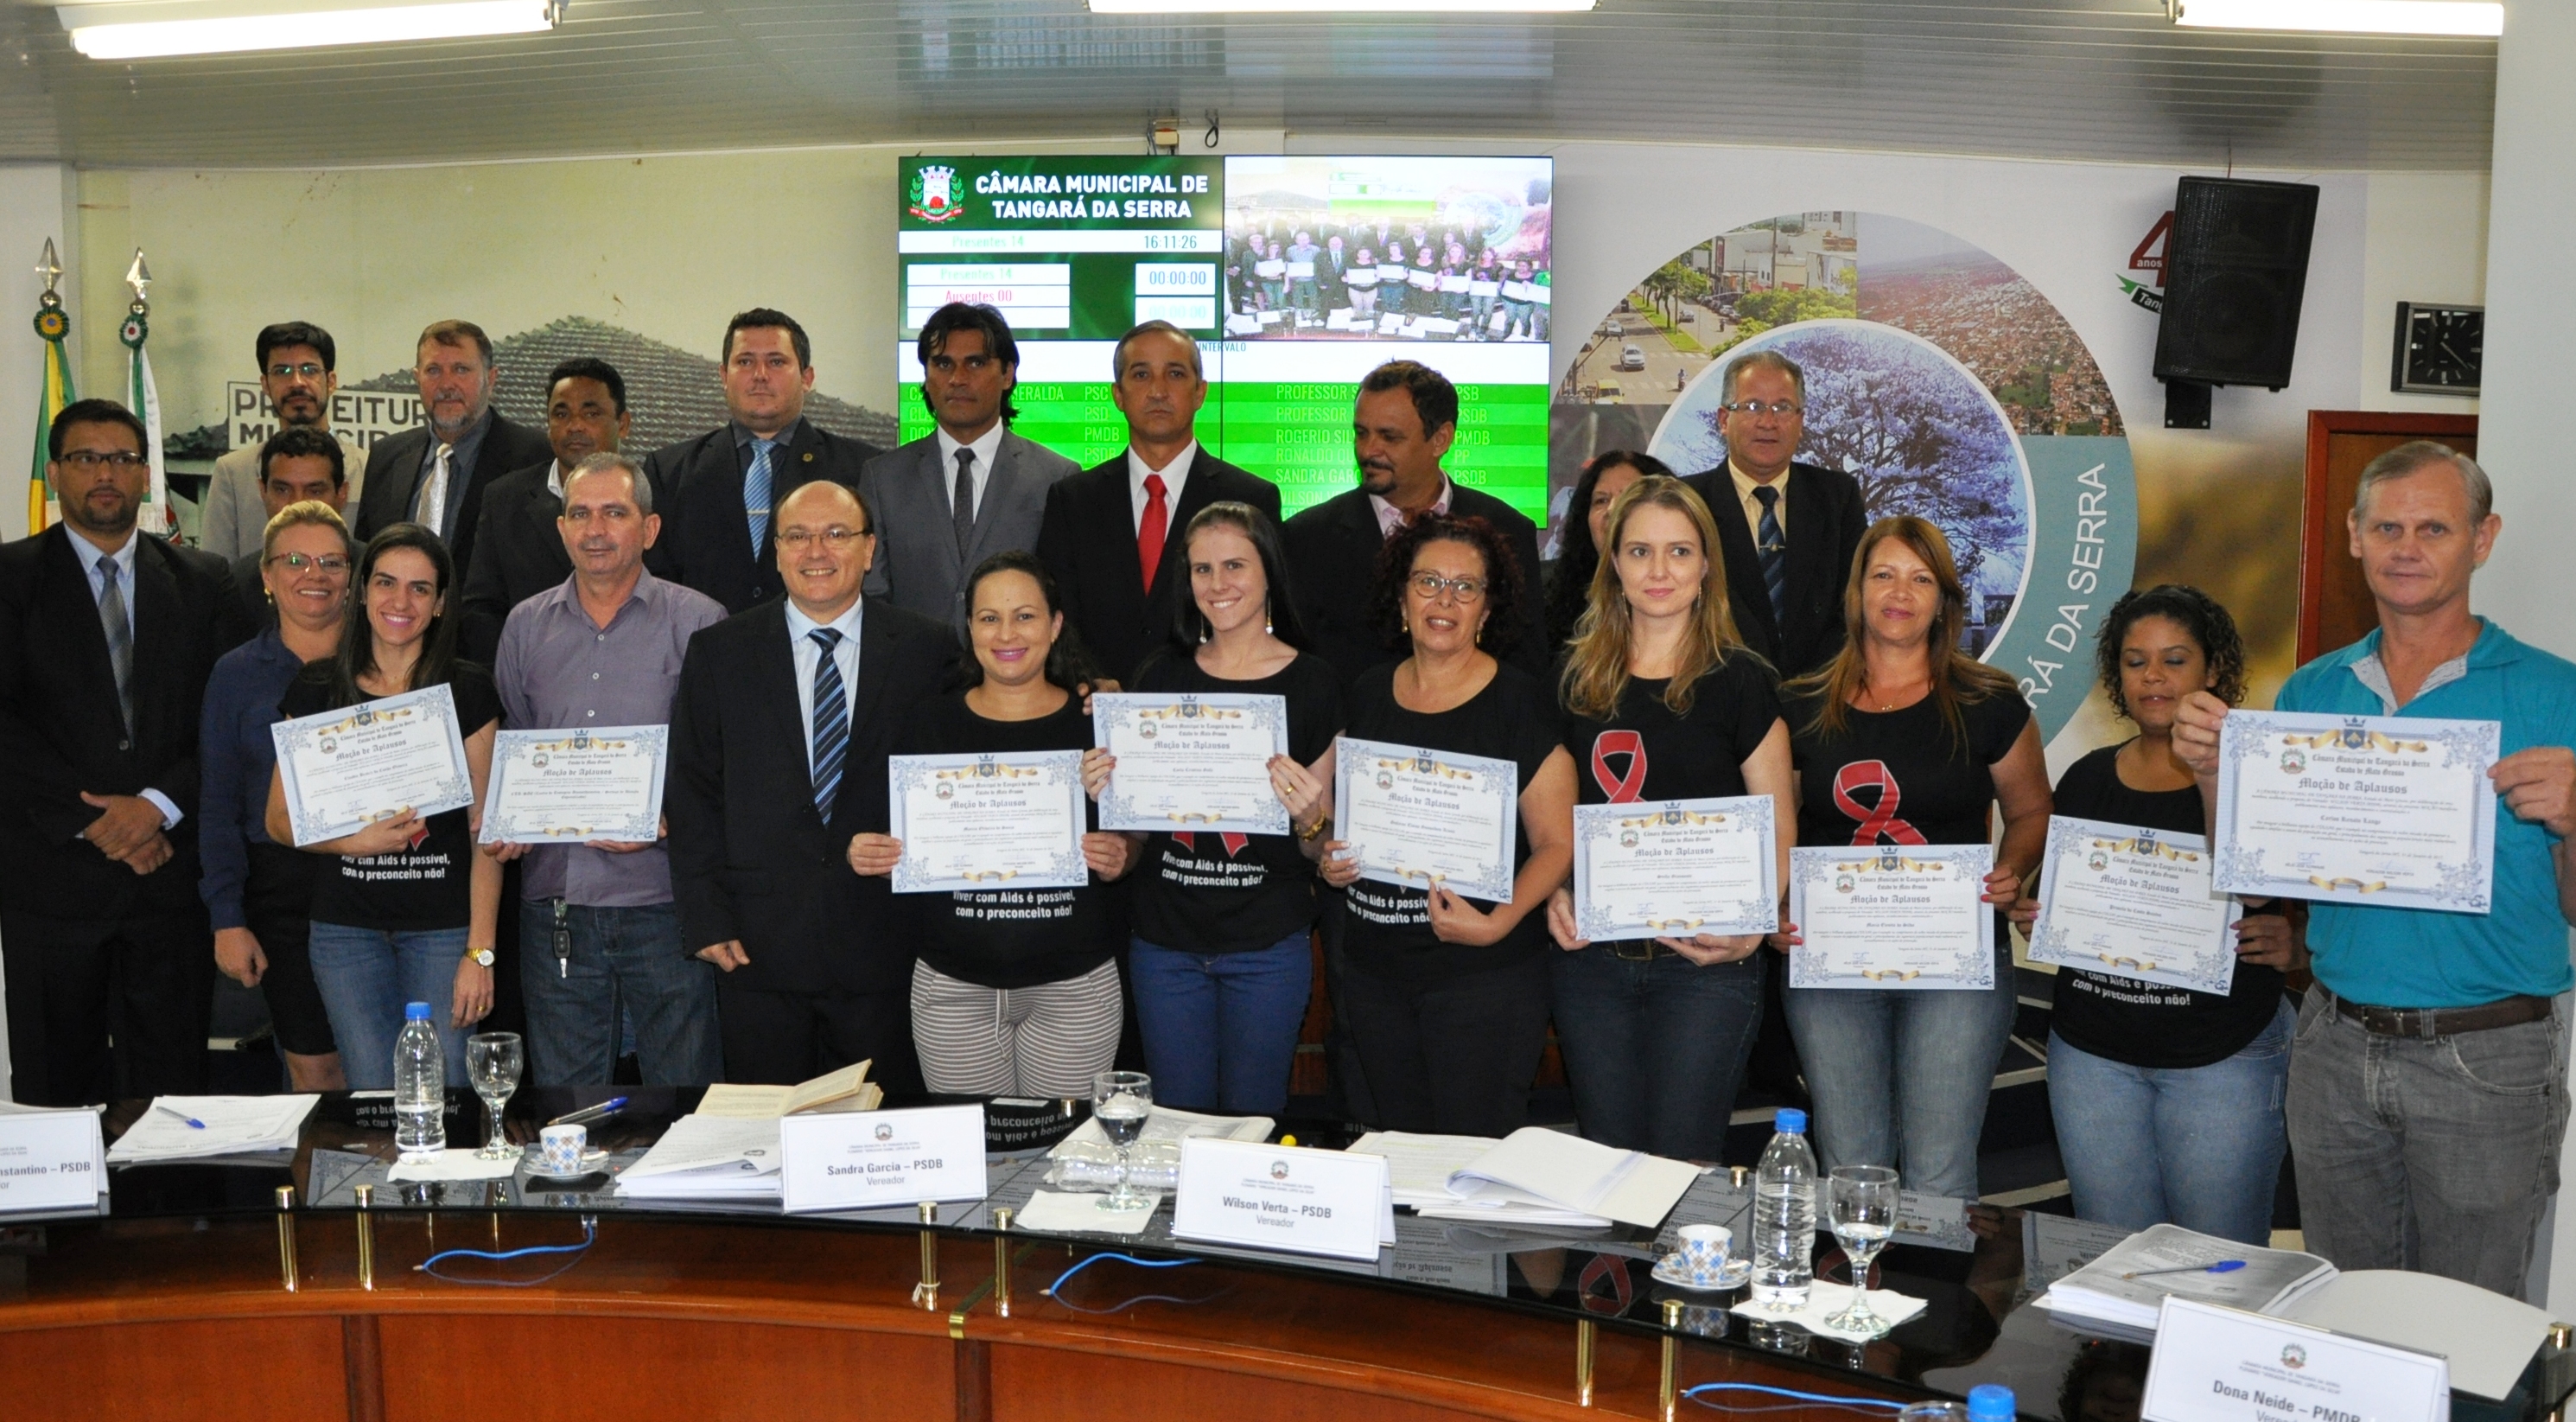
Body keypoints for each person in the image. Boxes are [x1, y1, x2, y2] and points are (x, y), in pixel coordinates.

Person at [2174, 442, 2576, 1295]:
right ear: (2353, 536)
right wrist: (2214, 774)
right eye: (2385, 525)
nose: (2405, 546)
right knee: (2347, 1315)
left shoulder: (2556, 692)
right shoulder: (2311, 691)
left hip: (2487, 1052)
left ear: (2482, 538)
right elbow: (2250, 883)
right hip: (2333, 1041)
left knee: (2471, 1326)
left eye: (2432, 526)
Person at [1771, 516, 2051, 1201]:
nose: (1901, 592)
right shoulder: (1799, 703)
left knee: (1938, 1171)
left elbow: (2031, 811)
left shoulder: (1989, 700)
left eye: (1921, 578)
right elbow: (1774, 830)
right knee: (1849, 1164)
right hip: (1831, 958)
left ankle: (1935, 1307)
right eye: (1884, 574)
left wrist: (2012, 867)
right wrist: (1773, 905)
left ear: (1944, 599)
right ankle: (1852, 1306)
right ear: (1857, 590)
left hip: (1956, 961)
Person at [2007, 585, 2296, 1246]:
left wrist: (2299, 940)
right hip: (2093, 1060)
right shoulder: (2083, 778)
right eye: (2135, 662)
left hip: (2220, 1058)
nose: (2154, 678)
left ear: (2212, 670)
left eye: (2174, 659)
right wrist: (2041, 917)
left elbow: (2316, 896)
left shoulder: (2261, 772)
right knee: (2114, 1265)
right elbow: (2065, 903)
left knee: (2219, 1268)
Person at [0, 399, 249, 1105]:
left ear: (146, 474)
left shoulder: (204, 581)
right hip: (51, 884)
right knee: (56, 1093)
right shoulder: (10, 579)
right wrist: (100, 823)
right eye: (86, 458)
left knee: (173, 1102)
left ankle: (168, 1219)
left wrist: (157, 806)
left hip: (169, 885)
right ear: (55, 473)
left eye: (122, 459)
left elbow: (227, 720)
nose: (105, 474)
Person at [667, 480, 953, 1087]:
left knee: (880, 1143)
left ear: (869, 549)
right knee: (767, 1145)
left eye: (835, 534)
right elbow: (692, 792)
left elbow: (952, 779)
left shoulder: (928, 650)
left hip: (887, 945)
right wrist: (706, 918)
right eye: (796, 535)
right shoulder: (720, 652)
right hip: (756, 949)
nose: (815, 549)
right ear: (776, 552)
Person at [1544, 476, 1790, 1161]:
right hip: (1592, 964)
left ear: (1706, 564)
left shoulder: (1742, 679)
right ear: (1613, 563)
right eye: (1640, 551)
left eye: (1679, 552)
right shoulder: (1570, 676)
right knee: (1606, 1157)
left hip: (1706, 968)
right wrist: (1552, 892)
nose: (1659, 571)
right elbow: (1549, 822)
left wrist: (1751, 923)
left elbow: (1777, 825)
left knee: (1684, 1159)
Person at [1318, 513, 1575, 1136]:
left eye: (1466, 587)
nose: (1444, 599)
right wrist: (1325, 853)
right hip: (1375, 975)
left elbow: (1557, 842)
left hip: (1481, 982)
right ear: (1401, 596)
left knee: (1472, 1170)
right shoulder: (1367, 692)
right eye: (1428, 581)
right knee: (1395, 1161)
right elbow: (1331, 820)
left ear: (1487, 609)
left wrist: (1495, 924)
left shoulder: (1519, 701)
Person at [849, 553, 1137, 1095]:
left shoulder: (1102, 722)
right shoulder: (927, 724)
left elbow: (1138, 837)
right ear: (970, 629)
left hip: (1074, 986)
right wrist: (867, 853)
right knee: (974, 1162)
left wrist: (1123, 855)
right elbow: (889, 838)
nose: (1007, 633)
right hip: (953, 988)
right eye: (989, 618)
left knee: (1065, 1161)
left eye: (1025, 616)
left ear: (1055, 625)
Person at [1087, 504, 1340, 1113]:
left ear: (1268, 572)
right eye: (1202, 568)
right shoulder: (1158, 676)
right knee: (1176, 1122)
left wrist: (1309, 815)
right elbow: (1137, 834)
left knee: (1254, 1121)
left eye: (1234, 565)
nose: (1218, 583)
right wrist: (1106, 797)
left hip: (1267, 945)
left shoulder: (1313, 684)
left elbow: (1319, 848)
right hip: (1164, 945)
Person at [487, 454, 728, 1087]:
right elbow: (518, 734)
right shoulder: (523, 625)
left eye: (614, 513)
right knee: (568, 1106)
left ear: (648, 529)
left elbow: (724, 762)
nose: (595, 529)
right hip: (556, 903)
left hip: (665, 902)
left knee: (683, 1097)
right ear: (562, 528)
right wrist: (513, 812)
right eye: (580, 514)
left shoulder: (700, 620)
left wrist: (669, 819)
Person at [265, 525, 501, 1089]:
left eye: (421, 589)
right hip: (347, 932)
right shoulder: (318, 688)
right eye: (387, 583)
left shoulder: (467, 690)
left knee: (446, 1097)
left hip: (445, 933)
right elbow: (277, 819)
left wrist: (481, 952)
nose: (401, 601)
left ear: (441, 603)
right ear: (362, 591)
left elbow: (485, 834)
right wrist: (353, 841)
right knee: (372, 1095)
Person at [200, 501, 357, 1092]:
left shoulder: (385, 662)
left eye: (331, 562)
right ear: (266, 575)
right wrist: (227, 919)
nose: (313, 574)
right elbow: (218, 806)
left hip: (379, 880)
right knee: (314, 1067)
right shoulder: (235, 674)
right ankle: (332, 1187)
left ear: (351, 576)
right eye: (294, 560)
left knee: (383, 1061)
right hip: (281, 894)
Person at [1037, 321, 1281, 685]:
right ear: (1117, 395)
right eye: (1140, 375)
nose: (1158, 391)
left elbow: (1269, 622)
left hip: (1212, 721)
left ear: (1200, 392)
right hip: (1096, 717)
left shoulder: (1250, 499)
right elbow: (1054, 618)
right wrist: (1087, 683)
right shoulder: (1072, 500)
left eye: (1175, 374)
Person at [1284, 360, 1549, 690]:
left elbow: (1529, 665)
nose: (1369, 450)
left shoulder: (1506, 530)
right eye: (1361, 433)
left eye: (1389, 437)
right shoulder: (1306, 538)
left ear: (1440, 439)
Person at [860, 303, 1076, 630]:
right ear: (926, 376)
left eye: (976, 363)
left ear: (1007, 374)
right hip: (913, 675)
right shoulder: (883, 478)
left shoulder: (1055, 477)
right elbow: (872, 594)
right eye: (943, 364)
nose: (958, 379)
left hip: (1018, 673)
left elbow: (1064, 597)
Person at [651, 309, 881, 615]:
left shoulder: (863, 469)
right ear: (723, 375)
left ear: (807, 378)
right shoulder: (668, 472)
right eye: (745, 362)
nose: (760, 375)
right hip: (704, 651)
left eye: (776, 362)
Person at [1682, 350, 1867, 681]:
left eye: (1782, 408)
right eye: (1752, 406)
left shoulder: (1838, 497)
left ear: (1801, 420)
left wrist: (1809, 690)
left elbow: (1853, 606)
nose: (1768, 422)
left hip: (1820, 696)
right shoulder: (1687, 502)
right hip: (1715, 693)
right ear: (1724, 420)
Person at [352, 320, 551, 588]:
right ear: (416, 379)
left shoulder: (533, 456)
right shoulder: (386, 456)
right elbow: (367, 562)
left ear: (490, 379)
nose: (447, 384)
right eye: (433, 370)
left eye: (461, 369)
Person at [459, 357, 633, 662]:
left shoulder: (650, 498)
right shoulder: (504, 500)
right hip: (528, 681)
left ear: (623, 423)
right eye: (561, 414)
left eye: (591, 413)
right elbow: (481, 608)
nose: (575, 426)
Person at [199, 321, 370, 562]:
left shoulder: (369, 468)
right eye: (282, 371)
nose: (297, 382)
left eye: (310, 370)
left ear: (331, 382)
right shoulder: (233, 473)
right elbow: (215, 571)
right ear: (265, 385)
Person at [1542, 450, 1676, 651]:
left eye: (1629, 497)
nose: (1612, 509)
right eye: (1601, 500)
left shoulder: (1684, 587)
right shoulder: (1547, 595)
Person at [227, 426, 351, 633]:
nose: (297, 503)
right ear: (263, 491)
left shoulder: (374, 573)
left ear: (342, 494)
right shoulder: (236, 586)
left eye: (315, 490)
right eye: (282, 490)